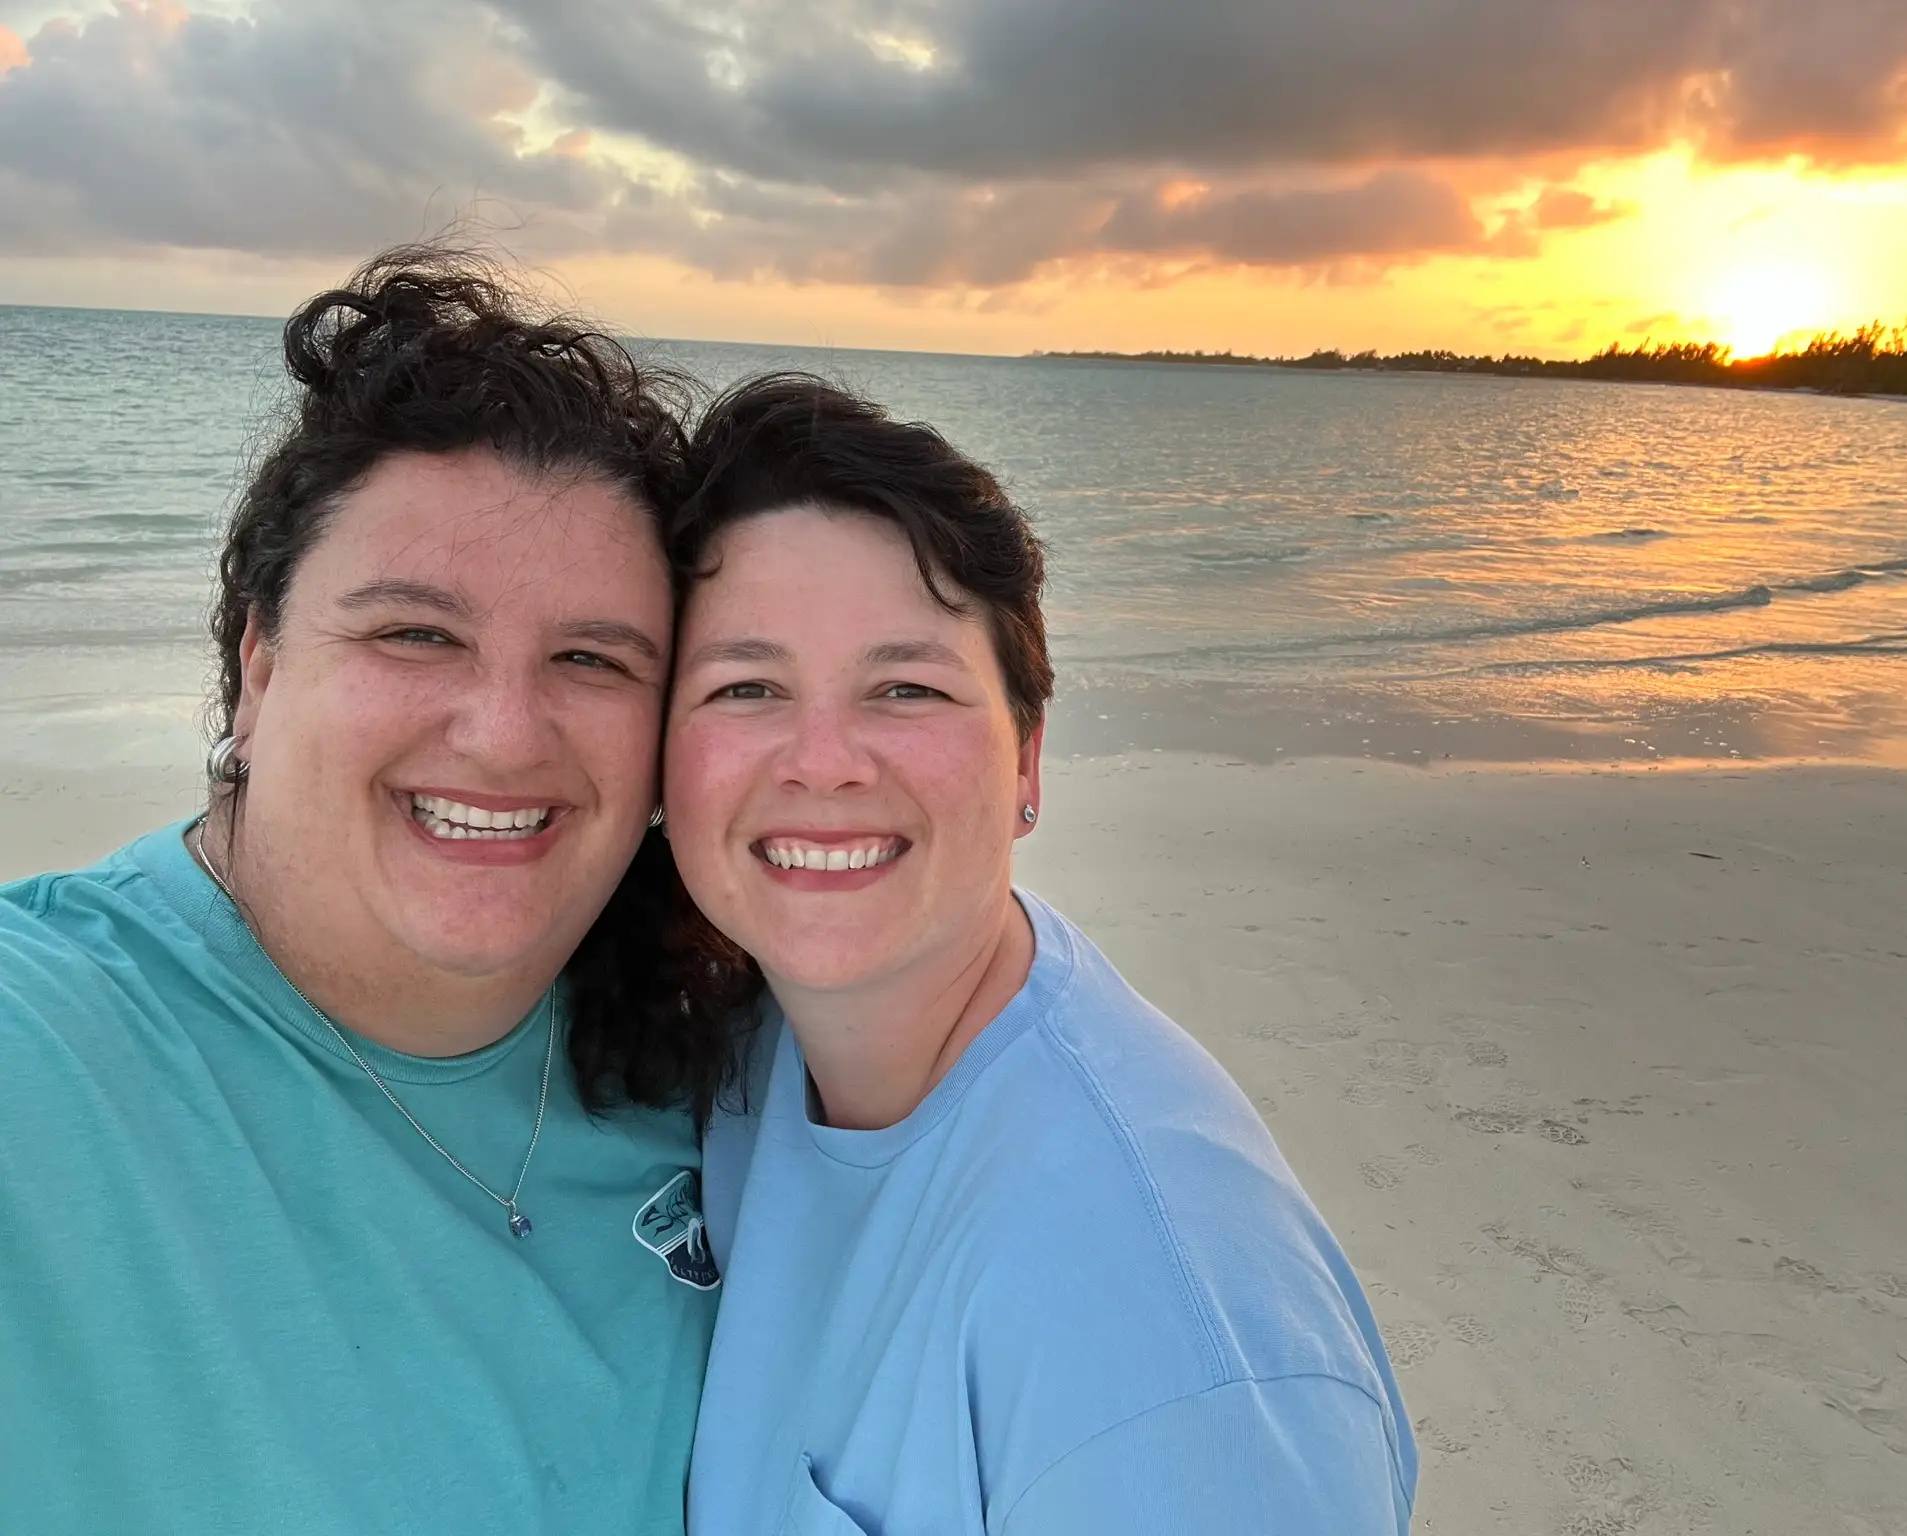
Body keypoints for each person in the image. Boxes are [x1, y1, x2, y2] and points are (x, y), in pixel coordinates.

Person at [0, 248, 744, 1533]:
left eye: (590, 658)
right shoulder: (48, 1049)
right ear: (259, 670)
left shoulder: (711, 1079)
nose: (506, 734)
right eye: (415, 634)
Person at [668, 376, 1419, 1534]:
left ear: (1025, 761)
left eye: (904, 687)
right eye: (746, 687)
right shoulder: (741, 1056)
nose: (822, 762)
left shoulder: (1156, 1350)